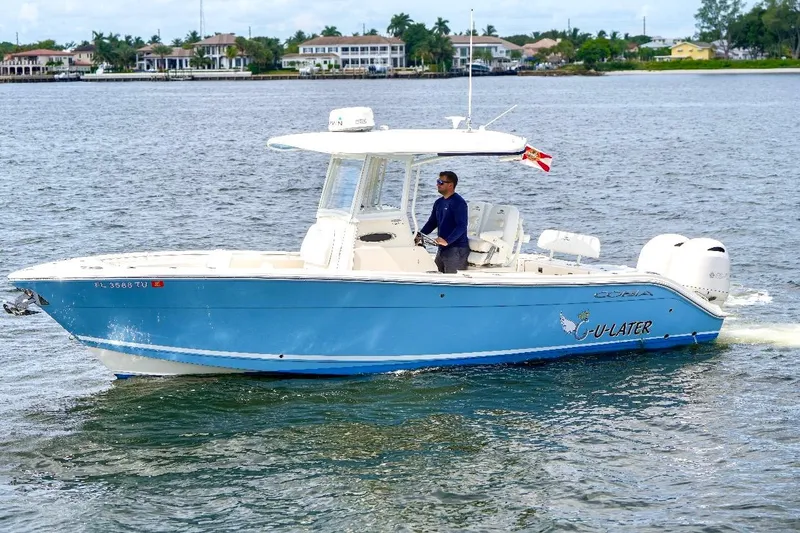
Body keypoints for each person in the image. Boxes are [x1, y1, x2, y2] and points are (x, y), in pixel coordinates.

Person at [415, 171, 470, 273]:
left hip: (456, 249)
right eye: (437, 181)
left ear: (450, 185)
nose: (437, 184)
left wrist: (447, 241)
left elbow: (462, 226)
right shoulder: (439, 202)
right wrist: (420, 235)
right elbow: (432, 222)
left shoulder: (459, 203)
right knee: (436, 275)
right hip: (442, 248)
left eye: (441, 182)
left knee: (452, 281)